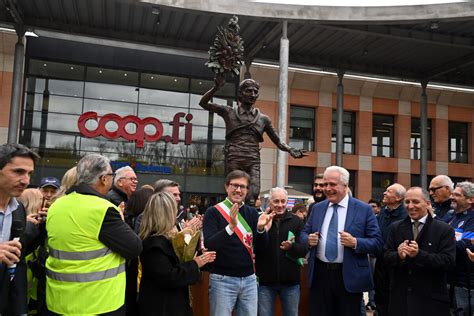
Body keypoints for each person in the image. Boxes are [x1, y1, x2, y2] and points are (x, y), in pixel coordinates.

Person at [45, 154, 142, 315]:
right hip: (98, 304)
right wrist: (121, 219)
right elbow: (135, 247)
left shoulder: (57, 206)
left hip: (58, 302)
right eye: (111, 175)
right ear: (104, 179)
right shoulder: (103, 209)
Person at [199, 76, 305, 205]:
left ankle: (248, 222)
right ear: (240, 93)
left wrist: (290, 149)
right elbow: (203, 103)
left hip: (253, 159)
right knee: (235, 193)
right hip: (235, 157)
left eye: (255, 92)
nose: (253, 94)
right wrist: (216, 88)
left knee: (253, 195)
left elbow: (278, 141)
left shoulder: (263, 119)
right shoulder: (229, 112)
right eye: (249, 91)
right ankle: (232, 221)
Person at [300, 165, 383, 316]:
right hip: (320, 276)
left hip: (349, 278)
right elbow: (304, 233)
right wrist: (308, 240)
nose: (327, 188)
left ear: (345, 186)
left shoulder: (363, 209)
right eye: (325, 184)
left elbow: (377, 243)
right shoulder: (317, 208)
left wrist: (356, 243)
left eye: (332, 184)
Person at [202, 170, 274, 316]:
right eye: (235, 185)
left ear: (247, 191)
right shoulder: (213, 212)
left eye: (243, 187)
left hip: (249, 280)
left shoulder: (253, 213)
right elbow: (210, 244)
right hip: (222, 280)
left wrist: (260, 229)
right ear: (226, 187)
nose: (238, 190)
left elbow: (261, 247)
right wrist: (231, 227)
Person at [138, 191, 216, 316]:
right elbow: (169, 277)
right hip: (162, 307)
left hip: (173, 304)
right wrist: (195, 264)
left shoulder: (166, 239)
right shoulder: (153, 245)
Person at [384, 186, 455, 316]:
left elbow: (448, 262)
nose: (410, 206)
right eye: (407, 202)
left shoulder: (444, 229)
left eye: (415, 202)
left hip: (431, 303)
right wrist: (398, 255)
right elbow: (386, 257)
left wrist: (419, 255)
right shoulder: (395, 228)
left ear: (428, 204)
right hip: (401, 301)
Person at [0, 143, 40, 314]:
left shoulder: (18, 210)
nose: (26, 180)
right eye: (18, 172)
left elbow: (18, 263)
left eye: (29, 173)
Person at [255, 187, 307, 316]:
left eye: (283, 201)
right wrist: (261, 230)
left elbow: (303, 250)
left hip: (291, 283)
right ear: (269, 202)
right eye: (276, 201)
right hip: (265, 283)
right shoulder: (260, 220)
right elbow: (257, 248)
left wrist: (292, 247)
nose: (280, 205)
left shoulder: (297, 222)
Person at [374, 183, 407, 316]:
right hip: (381, 261)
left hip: (397, 263)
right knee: (380, 296)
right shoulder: (383, 212)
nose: (384, 193)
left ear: (398, 198)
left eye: (389, 191)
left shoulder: (405, 214)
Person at [444, 181, 474, 315]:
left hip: (465, 283)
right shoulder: (449, 217)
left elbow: (464, 246)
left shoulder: (472, 219)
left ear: (470, 200)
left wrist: (444, 244)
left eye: (457, 195)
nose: (452, 197)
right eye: (452, 194)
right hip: (448, 279)